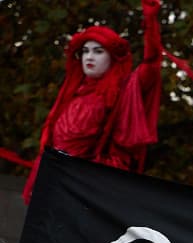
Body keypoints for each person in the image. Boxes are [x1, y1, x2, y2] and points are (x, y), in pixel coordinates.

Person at [22, 0, 163, 204]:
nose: (89, 56)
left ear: (112, 57)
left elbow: (151, 64)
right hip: (53, 181)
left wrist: (151, 20)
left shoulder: (122, 91)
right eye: (85, 51)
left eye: (98, 51)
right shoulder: (72, 93)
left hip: (87, 188)